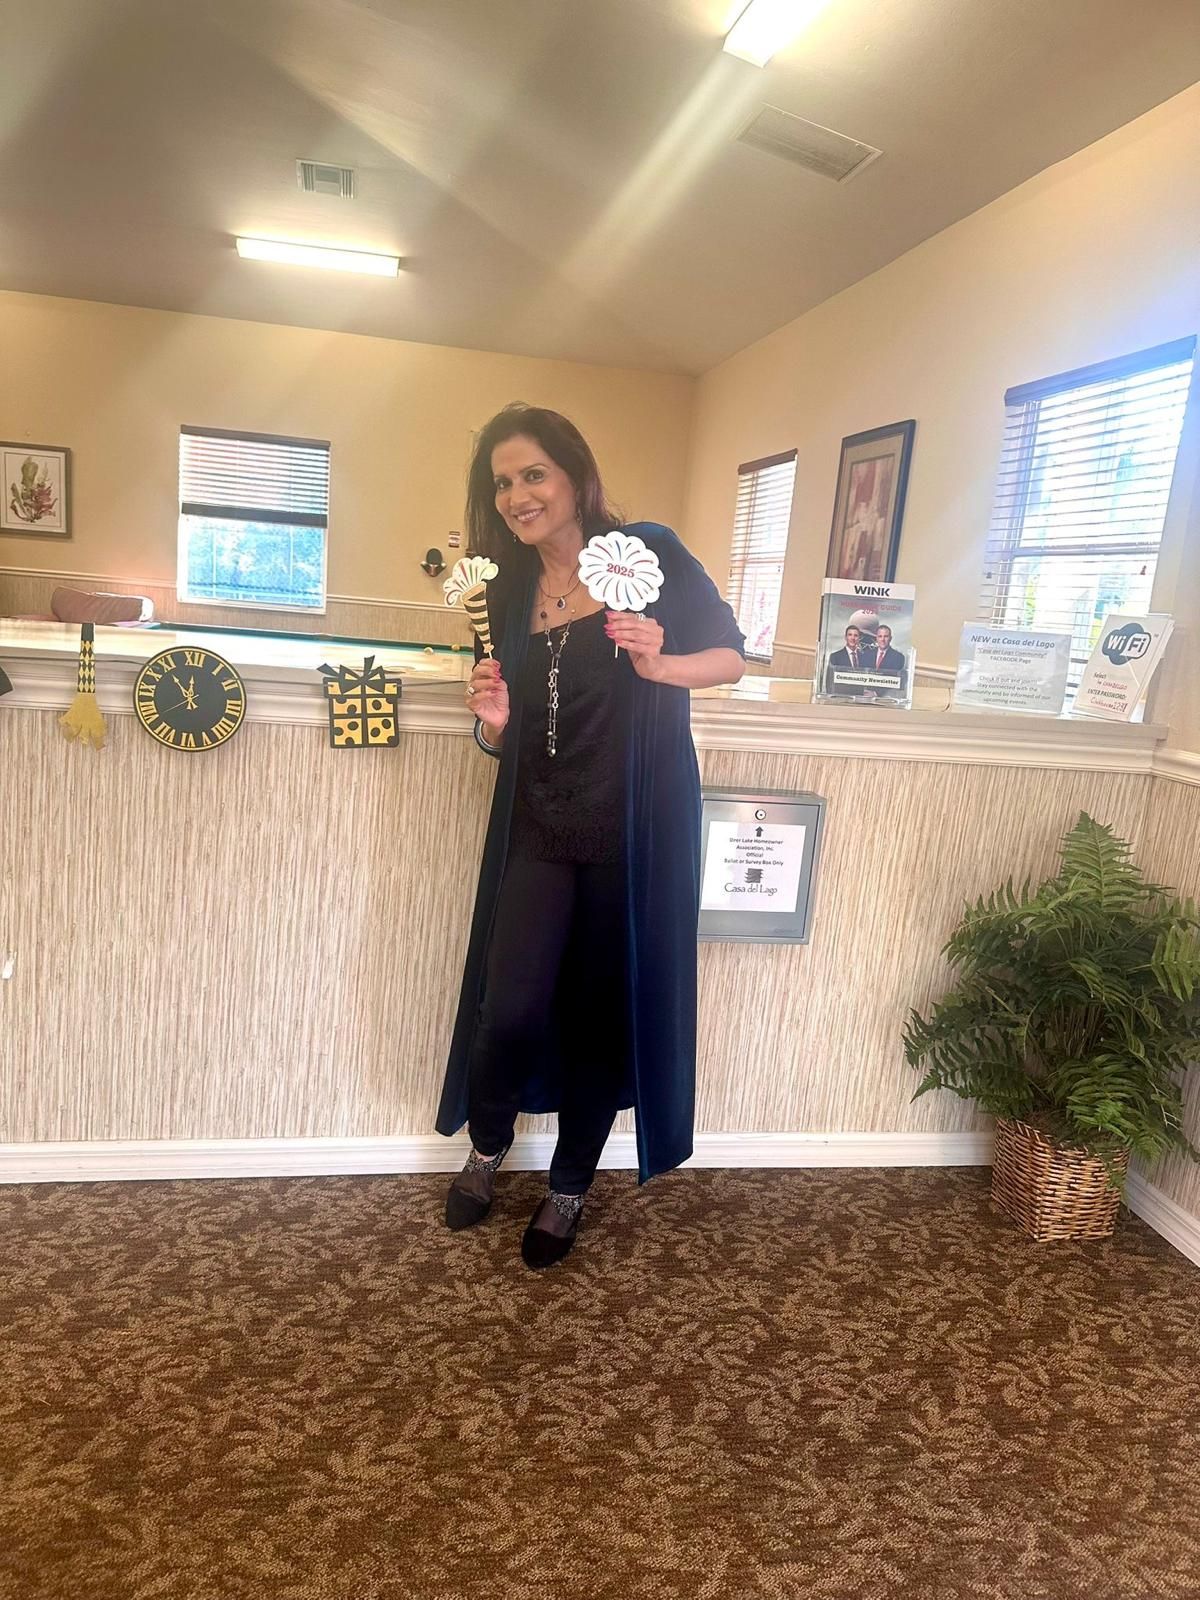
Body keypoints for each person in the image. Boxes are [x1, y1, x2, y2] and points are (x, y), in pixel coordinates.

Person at [435, 404, 746, 1269]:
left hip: (633, 827)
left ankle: (570, 1184)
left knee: (601, 1017)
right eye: (502, 482)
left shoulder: (647, 555)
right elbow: (503, 728)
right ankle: (489, 1140)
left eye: (533, 473)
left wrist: (661, 664)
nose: (517, 494)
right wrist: (492, 724)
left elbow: (729, 655)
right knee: (513, 1007)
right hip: (540, 820)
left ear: (575, 475)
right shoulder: (502, 587)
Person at [824, 625, 870, 698]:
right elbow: (829, 683)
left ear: (859, 638)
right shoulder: (835, 657)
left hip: (860, 700)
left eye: (856, 635)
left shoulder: (864, 657)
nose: (853, 638)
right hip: (841, 699)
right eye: (850, 635)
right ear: (845, 637)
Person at [862, 622, 907, 695]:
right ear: (876, 638)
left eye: (886, 636)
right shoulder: (867, 654)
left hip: (885, 697)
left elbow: (892, 681)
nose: (882, 639)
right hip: (865, 695)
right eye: (880, 636)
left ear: (890, 638)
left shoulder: (898, 657)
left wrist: (876, 693)